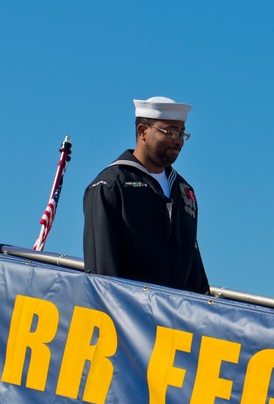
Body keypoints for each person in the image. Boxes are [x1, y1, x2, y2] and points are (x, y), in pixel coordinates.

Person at [83, 96, 209, 294]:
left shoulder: (184, 191)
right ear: (142, 131)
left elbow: (193, 266)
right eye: (170, 132)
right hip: (132, 314)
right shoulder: (111, 185)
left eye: (182, 134)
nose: (178, 141)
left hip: (177, 316)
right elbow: (102, 269)